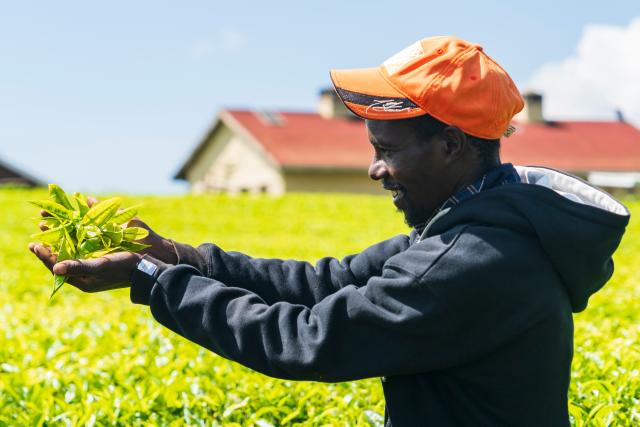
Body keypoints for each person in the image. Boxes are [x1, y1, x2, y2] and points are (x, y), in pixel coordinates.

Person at [29, 36, 630, 426]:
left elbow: (310, 337)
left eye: (386, 150)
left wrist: (152, 280)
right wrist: (176, 255)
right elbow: (326, 283)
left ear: (450, 145)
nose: (375, 169)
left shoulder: (473, 260)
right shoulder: (483, 226)